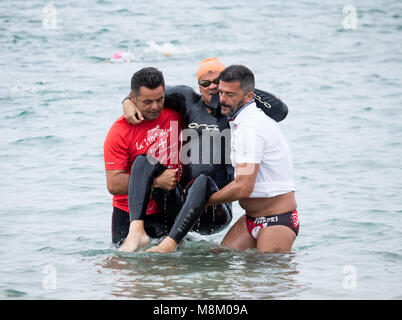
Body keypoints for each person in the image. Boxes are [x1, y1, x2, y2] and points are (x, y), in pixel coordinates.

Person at [120, 58, 290, 253]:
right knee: (144, 160)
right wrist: (126, 101)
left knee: (202, 181)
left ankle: (168, 245)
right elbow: (148, 92)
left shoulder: (233, 112)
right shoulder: (187, 99)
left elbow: (280, 111)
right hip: (182, 203)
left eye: (217, 81)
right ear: (198, 85)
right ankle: (136, 231)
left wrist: (236, 87)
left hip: (215, 209)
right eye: (205, 83)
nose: (212, 87)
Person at [206, 65, 300, 254]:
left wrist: (202, 201)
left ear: (249, 97)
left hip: (276, 221)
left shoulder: (251, 128)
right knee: (215, 261)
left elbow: (244, 186)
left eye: (230, 95)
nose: (222, 99)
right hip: (251, 219)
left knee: (270, 282)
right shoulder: (240, 121)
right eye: (221, 92)